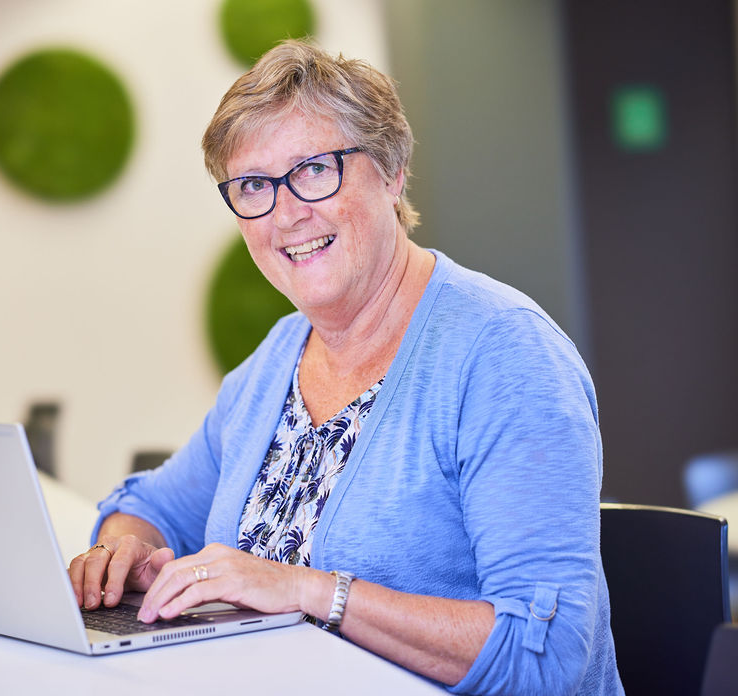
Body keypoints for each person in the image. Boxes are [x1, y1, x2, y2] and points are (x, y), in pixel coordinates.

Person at [69, 40, 623, 695]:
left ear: (392, 172)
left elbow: (545, 657)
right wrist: (124, 547)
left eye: (314, 169)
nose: (286, 212)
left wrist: (307, 592)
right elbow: (154, 504)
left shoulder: (506, 355)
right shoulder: (278, 356)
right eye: (253, 185)